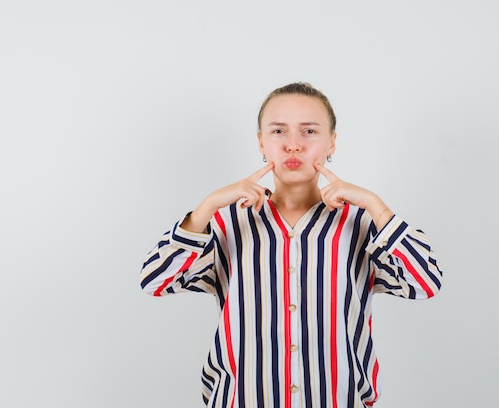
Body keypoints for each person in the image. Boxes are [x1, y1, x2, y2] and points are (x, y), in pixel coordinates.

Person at [140, 82, 442, 408]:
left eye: (309, 131)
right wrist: (206, 207)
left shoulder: (364, 223)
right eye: (279, 131)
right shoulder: (225, 223)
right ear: (261, 143)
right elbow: (155, 280)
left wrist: (375, 204)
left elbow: (425, 282)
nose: (293, 146)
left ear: (331, 143)